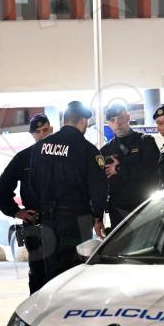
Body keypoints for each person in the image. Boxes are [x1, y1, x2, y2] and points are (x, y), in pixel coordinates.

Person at [28, 101, 108, 286]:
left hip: (48, 220)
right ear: (83, 121)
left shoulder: (41, 147)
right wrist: (98, 217)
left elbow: (32, 183)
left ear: (65, 120)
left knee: (51, 271)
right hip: (76, 220)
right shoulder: (87, 149)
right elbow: (98, 187)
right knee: (74, 272)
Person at [0, 114, 53, 294]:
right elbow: (2, 190)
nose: (43, 134)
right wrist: (16, 212)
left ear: (51, 130)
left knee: (62, 271)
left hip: (61, 221)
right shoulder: (23, 158)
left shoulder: (64, 154)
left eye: (46, 130)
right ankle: (35, 309)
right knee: (37, 273)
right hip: (34, 223)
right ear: (32, 134)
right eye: (38, 132)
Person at [100, 103, 159, 229]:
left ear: (128, 117)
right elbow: (100, 184)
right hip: (117, 211)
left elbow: (152, 171)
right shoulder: (105, 150)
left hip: (144, 207)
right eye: (112, 120)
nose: (117, 123)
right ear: (108, 123)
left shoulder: (145, 142)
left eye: (121, 118)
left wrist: (119, 169)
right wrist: (98, 216)